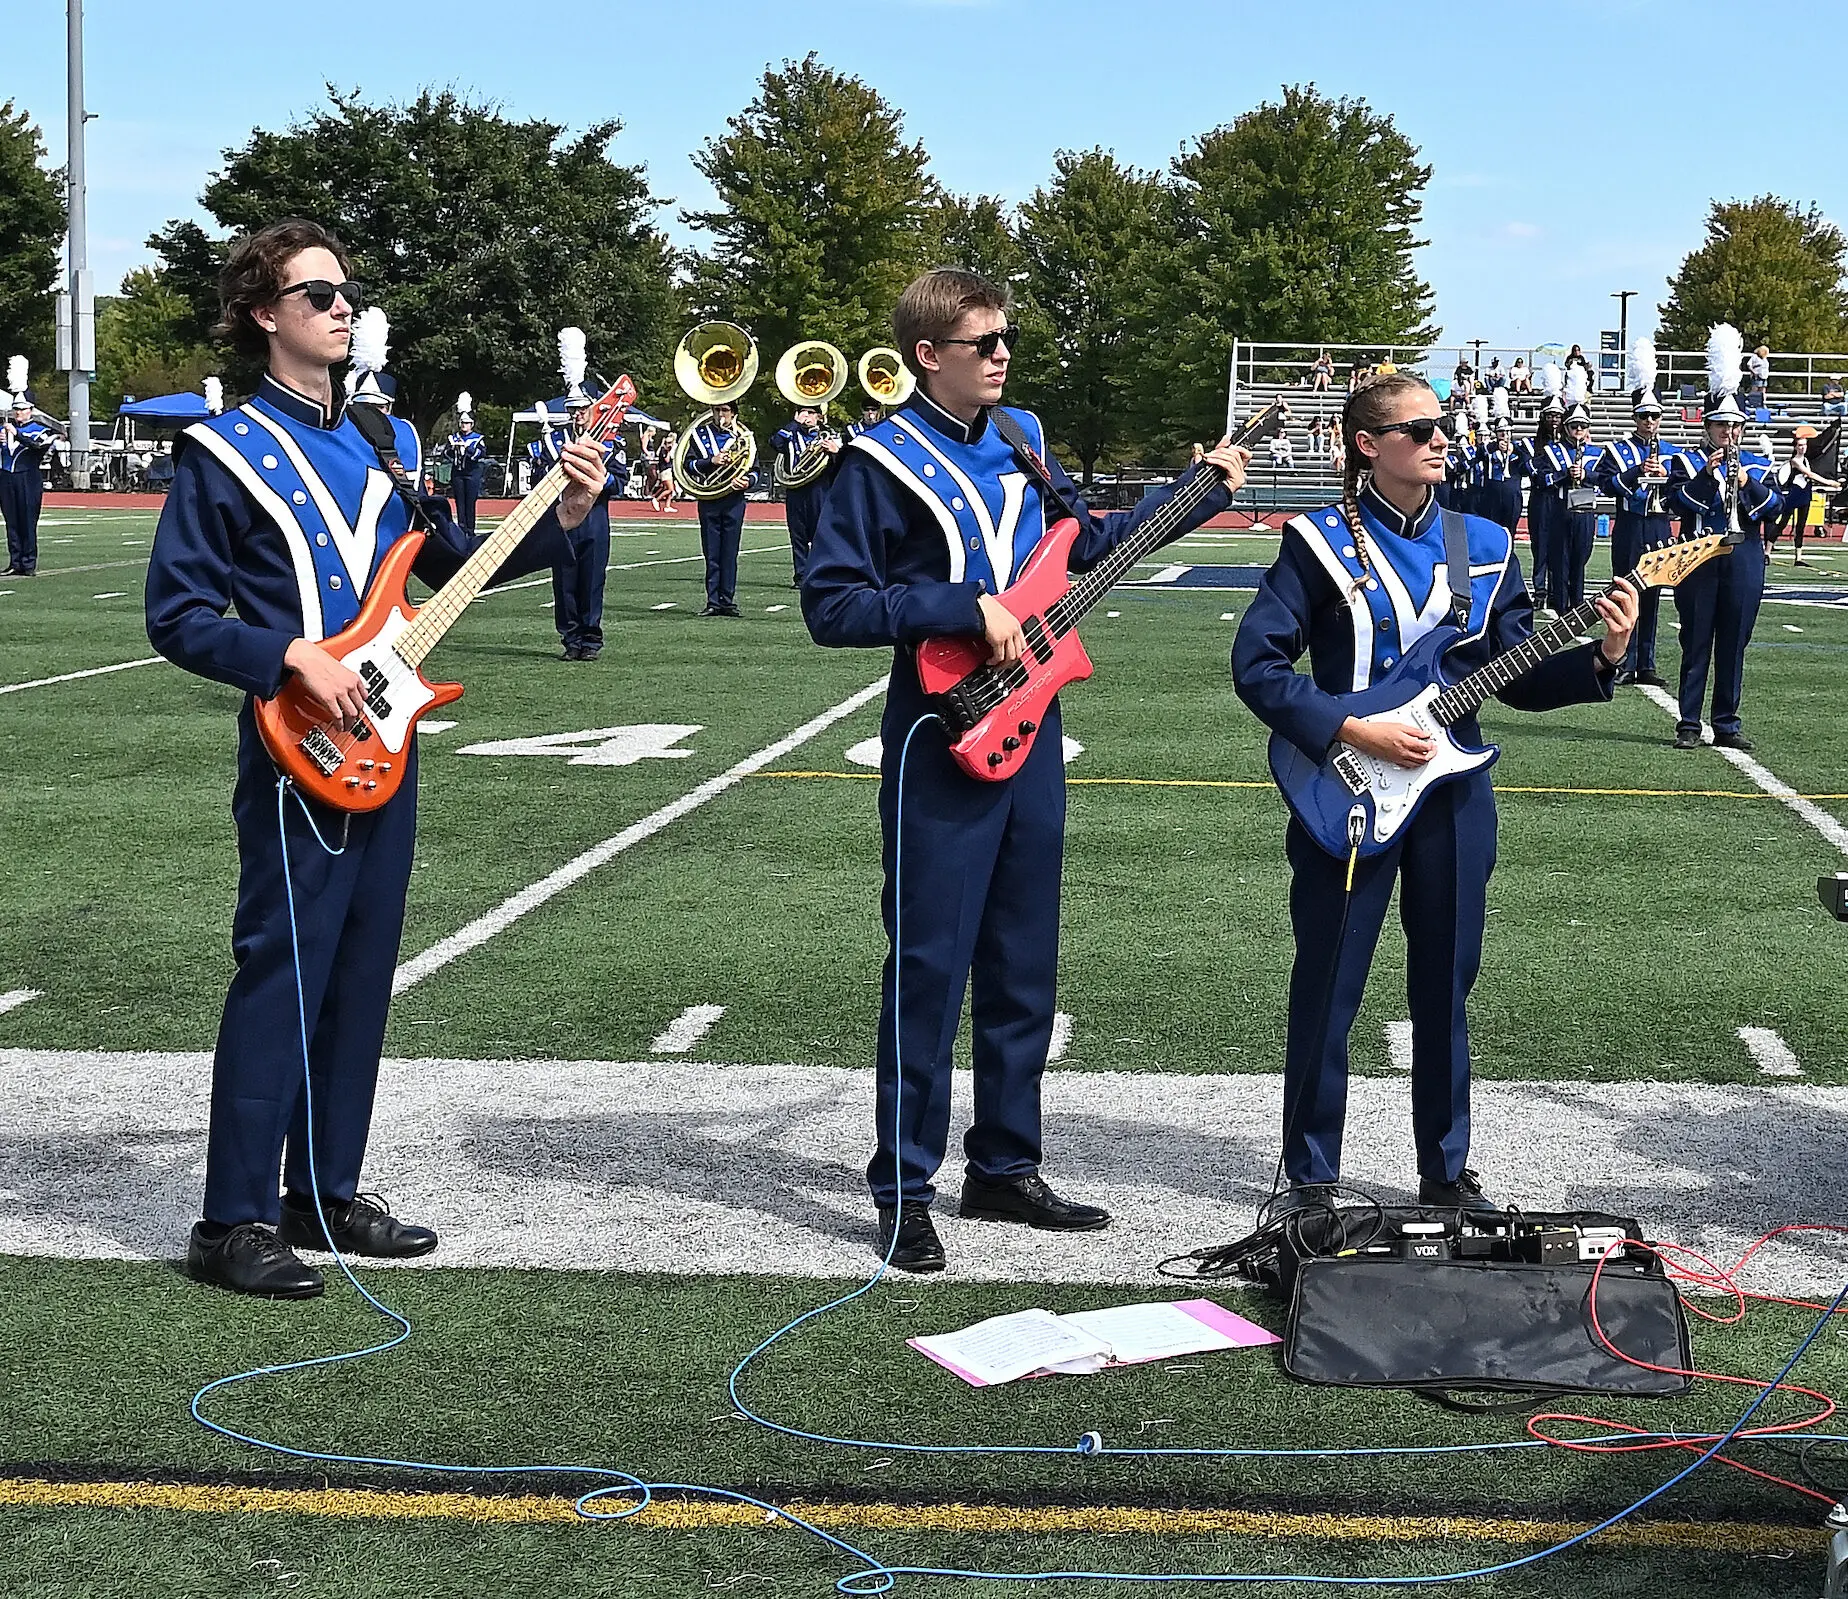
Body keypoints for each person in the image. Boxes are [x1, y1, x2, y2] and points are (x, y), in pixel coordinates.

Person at [142, 219, 608, 1298]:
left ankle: (323, 1190)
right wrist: (287, 654)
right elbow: (175, 615)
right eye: (318, 297)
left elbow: (446, 566)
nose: (342, 309)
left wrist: (567, 513)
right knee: (284, 970)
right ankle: (232, 1218)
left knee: (358, 974)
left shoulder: (372, 443)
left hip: (385, 739)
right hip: (295, 744)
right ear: (266, 315)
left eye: (346, 292)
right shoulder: (221, 452)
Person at [801, 268, 1249, 1272]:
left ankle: (1003, 1164)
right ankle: (905, 1186)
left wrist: (1197, 493)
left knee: (1022, 963)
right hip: (937, 730)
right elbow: (833, 607)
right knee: (928, 967)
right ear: (929, 355)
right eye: (984, 342)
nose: (1003, 354)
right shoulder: (875, 464)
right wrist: (962, 607)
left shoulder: (1022, 439)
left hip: (1032, 725)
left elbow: (1086, 546)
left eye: (1006, 339)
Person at [1232, 372, 1636, 1215]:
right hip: (1343, 787)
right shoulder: (1314, 542)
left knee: (1446, 984)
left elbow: (1516, 671)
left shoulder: (1484, 541)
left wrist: (1601, 655)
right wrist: (1352, 728)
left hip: (1453, 794)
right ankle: (1309, 1178)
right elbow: (1258, 667)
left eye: (1441, 424)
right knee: (1329, 983)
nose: (1440, 438)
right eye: (1419, 429)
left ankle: (1445, 1172)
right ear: (1368, 446)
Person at [1664, 331, 1783, 752]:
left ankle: (1727, 723)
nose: (1728, 432)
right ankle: (1689, 723)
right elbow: (1674, 501)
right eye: (1721, 426)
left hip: (1744, 559)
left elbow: (1774, 508)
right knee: (1695, 640)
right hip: (1699, 558)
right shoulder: (1685, 460)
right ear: (1708, 427)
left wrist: (1745, 481)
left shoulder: (1757, 462)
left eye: (1735, 426)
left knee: (1734, 644)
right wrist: (1705, 475)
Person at [1594, 360, 1675, 686]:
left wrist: (1665, 477)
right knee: (1627, 593)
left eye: (1654, 416)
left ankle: (1647, 663)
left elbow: (1682, 489)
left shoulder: (1671, 451)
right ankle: (1624, 658)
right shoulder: (1618, 450)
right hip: (1630, 523)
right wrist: (1637, 472)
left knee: (1653, 593)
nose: (1650, 422)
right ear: (1634, 418)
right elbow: (1604, 482)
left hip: (1658, 524)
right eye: (1644, 416)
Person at [542, 339, 620, 662]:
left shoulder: (608, 441)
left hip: (595, 520)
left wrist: (598, 480)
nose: (577, 415)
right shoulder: (552, 440)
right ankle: (570, 638)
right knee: (564, 581)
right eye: (573, 410)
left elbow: (620, 480)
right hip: (562, 519)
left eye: (583, 409)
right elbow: (539, 479)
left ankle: (590, 639)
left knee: (591, 579)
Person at [682, 402, 757, 615]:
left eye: (725, 410)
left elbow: (755, 470)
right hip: (709, 498)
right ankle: (713, 601)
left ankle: (727, 600)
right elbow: (688, 465)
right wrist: (711, 461)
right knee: (712, 552)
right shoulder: (699, 435)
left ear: (733, 413)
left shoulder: (745, 437)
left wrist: (747, 481)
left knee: (730, 553)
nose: (720, 415)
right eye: (716, 410)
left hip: (734, 500)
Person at [771, 401, 839, 586]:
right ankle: (800, 575)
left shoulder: (830, 435)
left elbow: (843, 462)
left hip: (820, 489)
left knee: (821, 534)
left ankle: (821, 573)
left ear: (819, 416)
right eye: (803, 412)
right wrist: (794, 424)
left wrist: (835, 451)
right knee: (797, 535)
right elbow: (775, 443)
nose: (806, 417)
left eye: (810, 413)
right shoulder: (790, 435)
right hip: (796, 489)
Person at [1547, 388, 1599, 614]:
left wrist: (1586, 476)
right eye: (1574, 426)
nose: (1579, 430)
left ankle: (1577, 604)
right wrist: (1564, 475)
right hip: (1560, 509)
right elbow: (1542, 480)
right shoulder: (1553, 450)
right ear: (1566, 427)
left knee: (1581, 559)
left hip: (1585, 507)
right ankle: (1559, 606)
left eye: (1583, 426)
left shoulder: (1598, 452)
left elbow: (1605, 479)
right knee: (1560, 560)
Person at [1, 371, 57, 577]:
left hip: (28, 478)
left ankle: (28, 562)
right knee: (11, 522)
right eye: (16, 409)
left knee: (27, 521)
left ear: (31, 410)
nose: (18, 413)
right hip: (7, 478)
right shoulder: (4, 429)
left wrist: (18, 434)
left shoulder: (41, 430)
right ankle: (15, 561)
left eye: (22, 409)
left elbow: (37, 447)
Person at [1521, 378, 1568, 613]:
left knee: (1560, 546)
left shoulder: (1570, 446)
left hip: (1562, 500)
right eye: (1550, 415)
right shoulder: (1530, 445)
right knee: (1540, 545)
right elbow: (1533, 471)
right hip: (1541, 500)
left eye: (1558, 416)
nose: (1555, 420)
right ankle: (1539, 591)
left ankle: (1557, 592)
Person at [1766, 425, 1841, 565]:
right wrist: (1829, 483)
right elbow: (1809, 474)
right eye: (1800, 445)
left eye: (1804, 445)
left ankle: (1798, 557)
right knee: (1782, 524)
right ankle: (1767, 552)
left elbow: (1809, 476)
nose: (1802, 448)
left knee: (1801, 526)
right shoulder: (1794, 461)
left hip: (1805, 493)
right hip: (1794, 494)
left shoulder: (1806, 460)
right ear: (1795, 447)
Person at [445, 395, 487, 535]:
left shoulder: (477, 438)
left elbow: (480, 454)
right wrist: (453, 449)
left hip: (471, 473)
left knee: (470, 503)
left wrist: (467, 449)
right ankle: (462, 530)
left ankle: (470, 530)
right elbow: (446, 454)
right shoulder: (453, 438)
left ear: (472, 424)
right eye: (463, 423)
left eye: (467, 423)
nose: (464, 426)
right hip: (457, 473)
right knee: (459, 503)